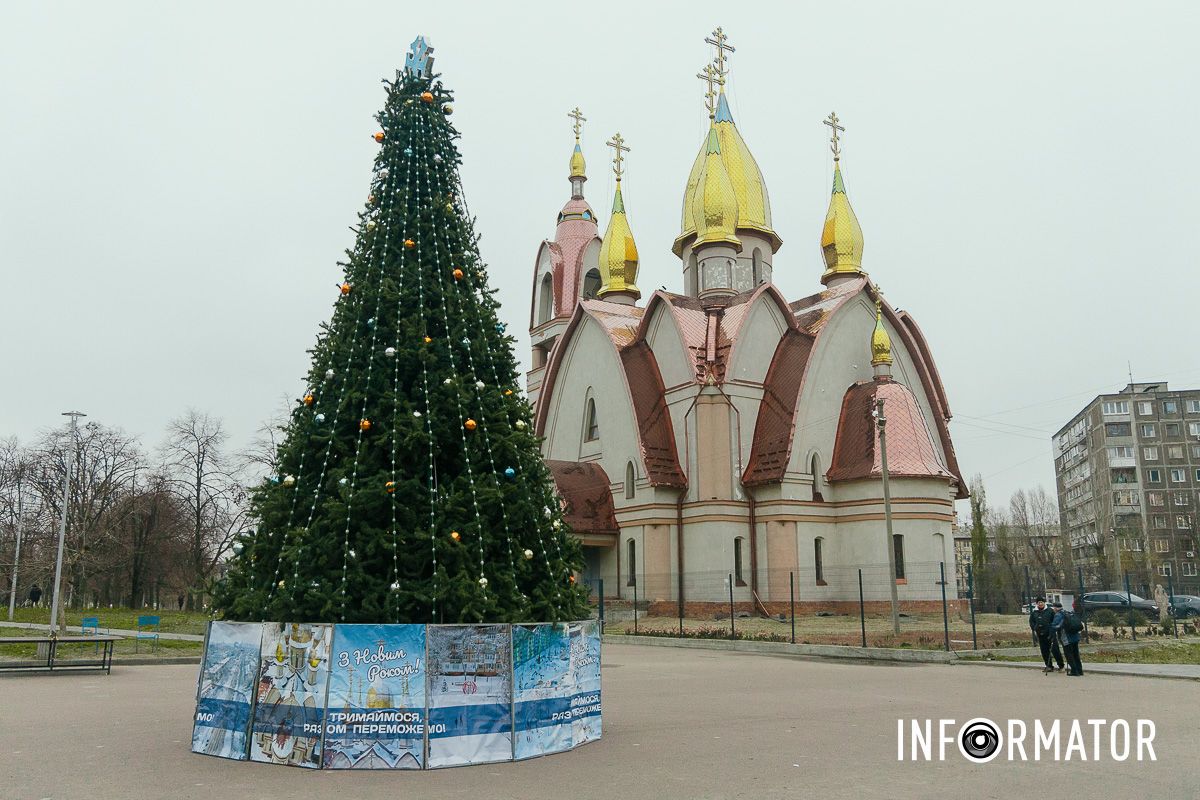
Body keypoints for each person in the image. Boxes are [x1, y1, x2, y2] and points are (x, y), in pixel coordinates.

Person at [1028, 595, 1064, 673]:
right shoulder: (1034, 613)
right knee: (1044, 651)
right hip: (1040, 635)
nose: (1040, 604)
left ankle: (1061, 666)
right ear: (1037, 603)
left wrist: (1053, 629)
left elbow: (1055, 621)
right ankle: (1049, 666)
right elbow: (1031, 622)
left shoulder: (1050, 611)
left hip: (1050, 634)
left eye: (1042, 602)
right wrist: (1035, 628)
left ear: (1044, 603)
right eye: (1039, 602)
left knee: (1055, 650)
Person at [1052, 601, 1084, 677]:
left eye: (1054, 608)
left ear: (1056, 608)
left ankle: (1074, 671)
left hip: (1066, 638)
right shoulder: (1068, 613)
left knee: (1069, 654)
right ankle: (1080, 670)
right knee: (1076, 654)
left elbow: (1055, 626)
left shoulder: (1058, 615)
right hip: (1075, 637)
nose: (1053, 609)